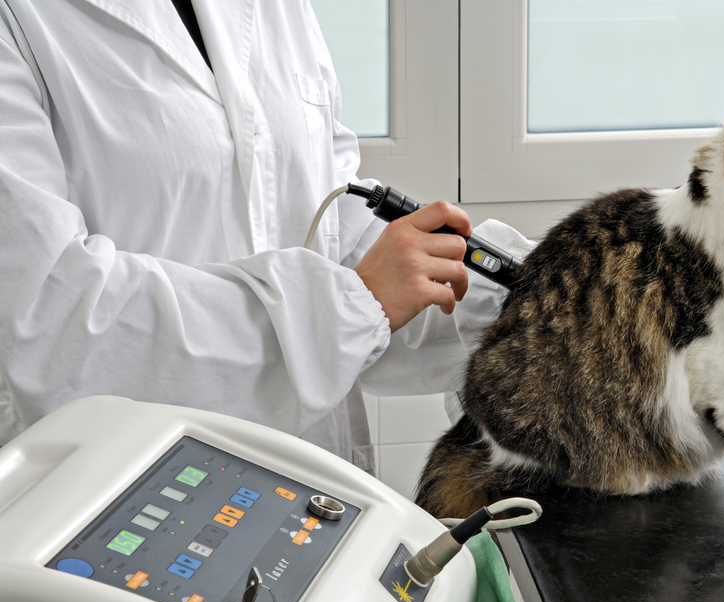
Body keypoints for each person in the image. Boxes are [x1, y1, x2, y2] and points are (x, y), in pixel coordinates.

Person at [0, 1, 530, 474]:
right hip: (116, 490)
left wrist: (524, 291)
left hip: (316, 479)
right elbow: (48, 316)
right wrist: (351, 307)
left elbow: (321, 227)